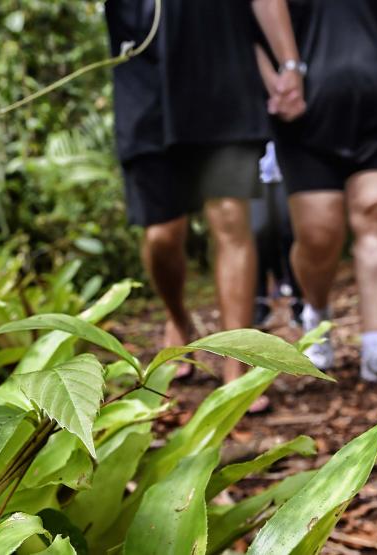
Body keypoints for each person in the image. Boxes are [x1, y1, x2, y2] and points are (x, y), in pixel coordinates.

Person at [104, 0, 306, 386]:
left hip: (223, 79)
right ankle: (180, 319)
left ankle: (236, 366)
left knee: (231, 216)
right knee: (162, 234)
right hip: (145, 90)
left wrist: (289, 65)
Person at [257, 0, 377, 385]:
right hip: (303, 118)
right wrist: (275, 81)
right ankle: (316, 315)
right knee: (320, 234)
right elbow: (248, 32)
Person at [251, 142, 303, 329]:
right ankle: (260, 302)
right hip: (255, 174)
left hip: (286, 171)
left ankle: (299, 300)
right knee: (258, 232)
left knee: (289, 231)